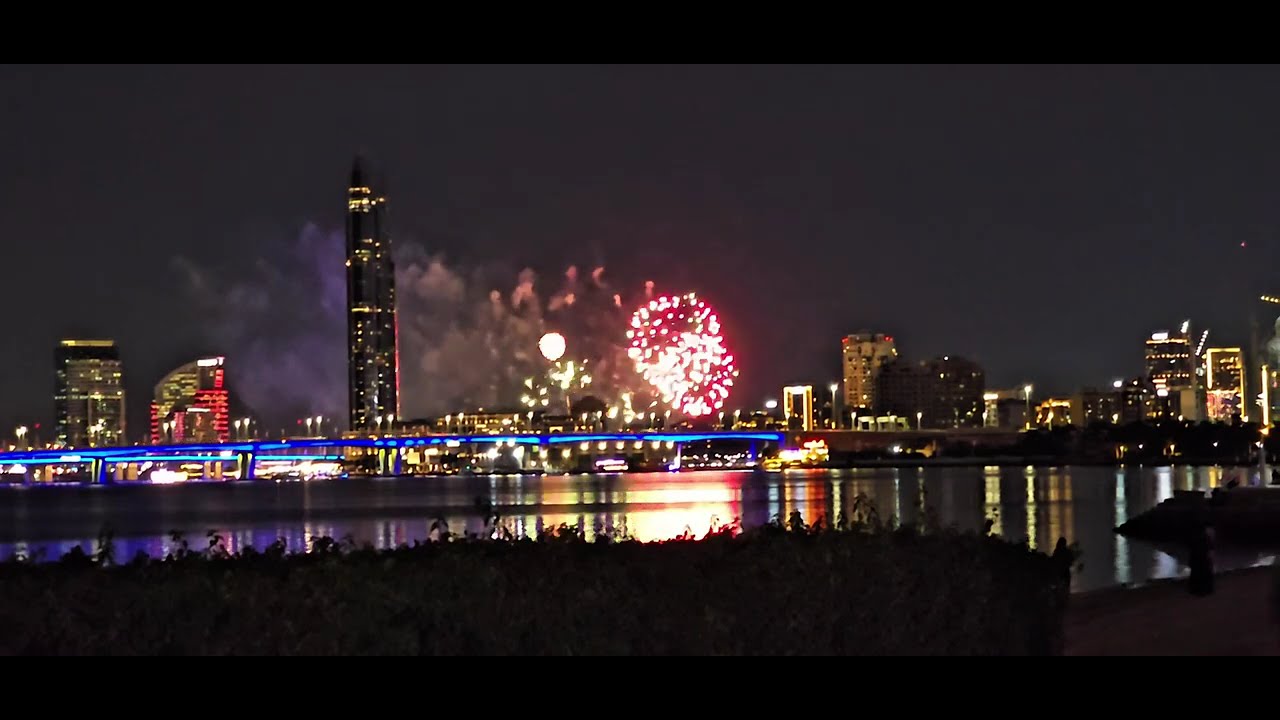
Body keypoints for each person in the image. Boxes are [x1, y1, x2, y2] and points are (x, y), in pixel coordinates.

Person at [1188, 522, 1215, 597]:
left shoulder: (1196, 537)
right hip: (1202, 559)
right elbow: (1210, 550)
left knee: (1197, 573)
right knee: (1203, 573)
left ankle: (1196, 590)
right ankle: (1203, 590)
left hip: (1197, 558)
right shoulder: (1206, 538)